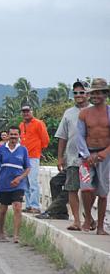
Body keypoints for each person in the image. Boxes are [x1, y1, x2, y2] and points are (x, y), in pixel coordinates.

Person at [37, 81, 91, 227]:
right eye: (76, 93)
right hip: (72, 159)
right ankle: (62, 213)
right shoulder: (69, 113)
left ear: (88, 93)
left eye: (82, 92)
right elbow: (62, 137)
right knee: (62, 184)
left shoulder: (94, 110)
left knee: (87, 190)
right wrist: (60, 157)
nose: (79, 95)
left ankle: (87, 218)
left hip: (91, 159)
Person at [77, 78, 110, 235]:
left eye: (99, 93)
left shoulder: (109, 113)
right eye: (93, 93)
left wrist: (105, 152)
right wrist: (86, 154)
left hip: (105, 155)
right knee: (86, 188)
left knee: (103, 191)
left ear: (105, 94)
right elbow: (80, 136)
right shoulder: (84, 114)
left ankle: (100, 227)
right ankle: (88, 218)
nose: (96, 96)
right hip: (87, 155)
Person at [0, 126, 31, 243]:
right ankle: (1, 231)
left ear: (19, 136)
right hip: (4, 184)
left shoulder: (23, 150)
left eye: (16, 134)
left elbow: (28, 168)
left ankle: (16, 236)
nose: (13, 137)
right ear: (8, 136)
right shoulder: (1, 149)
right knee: (3, 209)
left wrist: (20, 178)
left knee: (18, 207)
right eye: (11, 134)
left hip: (18, 185)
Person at [19, 105, 50, 214]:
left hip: (33, 156)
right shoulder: (21, 125)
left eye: (27, 111)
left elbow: (45, 139)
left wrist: (39, 149)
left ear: (32, 111)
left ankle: (35, 206)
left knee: (33, 182)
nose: (26, 113)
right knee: (25, 183)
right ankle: (28, 205)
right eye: (24, 111)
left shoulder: (38, 123)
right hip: (23, 157)